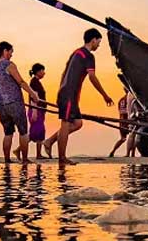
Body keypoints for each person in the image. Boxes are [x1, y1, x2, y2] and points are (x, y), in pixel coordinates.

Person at [45, 28, 114, 167]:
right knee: (65, 124)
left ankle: (50, 141)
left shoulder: (76, 52)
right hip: (69, 94)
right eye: (98, 42)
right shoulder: (88, 56)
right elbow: (92, 77)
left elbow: (64, 72)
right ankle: (62, 159)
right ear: (93, 39)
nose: (98, 45)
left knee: (77, 123)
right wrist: (105, 95)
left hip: (69, 94)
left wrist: (61, 90)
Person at [0, 41, 40, 164]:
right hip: (14, 102)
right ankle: (24, 160)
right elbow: (21, 82)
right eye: (11, 52)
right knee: (23, 131)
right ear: (5, 51)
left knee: (8, 132)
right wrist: (33, 94)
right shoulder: (9, 65)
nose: (11, 55)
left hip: (0, 104)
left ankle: (7, 159)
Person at [13, 63, 47, 161]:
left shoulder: (37, 82)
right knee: (34, 133)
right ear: (38, 71)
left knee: (40, 132)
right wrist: (35, 111)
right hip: (35, 110)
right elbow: (34, 97)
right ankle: (18, 150)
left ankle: (39, 154)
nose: (44, 73)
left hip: (40, 110)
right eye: (43, 71)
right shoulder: (34, 82)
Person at [109, 88, 130, 157]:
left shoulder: (121, 100)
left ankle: (113, 151)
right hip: (127, 121)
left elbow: (120, 111)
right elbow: (125, 112)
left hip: (122, 121)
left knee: (123, 138)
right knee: (132, 136)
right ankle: (129, 154)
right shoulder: (128, 100)